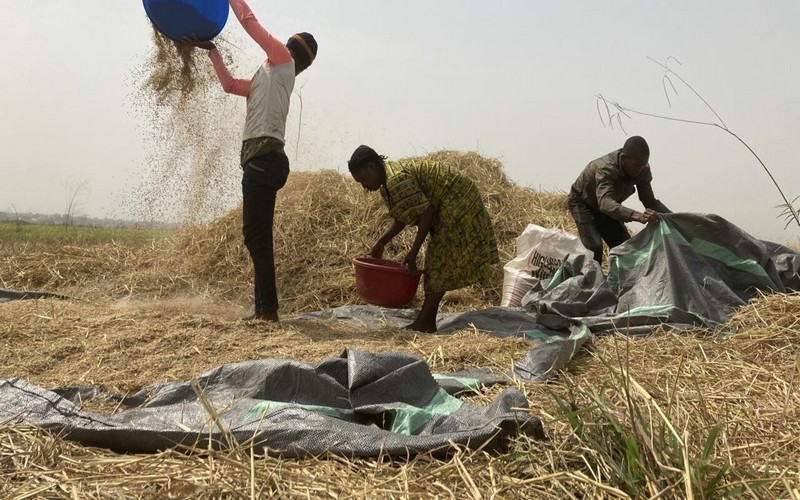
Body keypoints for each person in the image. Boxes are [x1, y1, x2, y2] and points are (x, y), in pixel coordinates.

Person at [184, 0, 318, 322]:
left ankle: (267, 311)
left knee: (257, 236)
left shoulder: (283, 62)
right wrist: (211, 50)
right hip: (259, 162)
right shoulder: (264, 78)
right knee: (255, 235)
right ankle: (263, 308)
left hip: (265, 159)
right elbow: (230, 85)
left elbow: (249, 22)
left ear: (289, 49)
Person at [347, 146, 499, 333]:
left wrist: (413, 251)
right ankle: (426, 320)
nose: (365, 187)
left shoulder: (396, 180)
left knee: (438, 261)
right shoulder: (387, 184)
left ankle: (426, 322)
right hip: (448, 201)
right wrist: (381, 242)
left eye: (364, 179)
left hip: (458, 199)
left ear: (372, 167)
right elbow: (403, 215)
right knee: (438, 263)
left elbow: (427, 212)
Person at [568, 136, 671, 264]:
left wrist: (675, 219)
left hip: (608, 208)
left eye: (643, 166)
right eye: (636, 165)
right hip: (583, 203)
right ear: (623, 159)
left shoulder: (642, 169)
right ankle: (588, 281)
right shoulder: (606, 168)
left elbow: (649, 201)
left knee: (626, 247)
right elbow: (605, 203)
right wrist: (637, 216)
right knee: (594, 247)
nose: (639, 170)